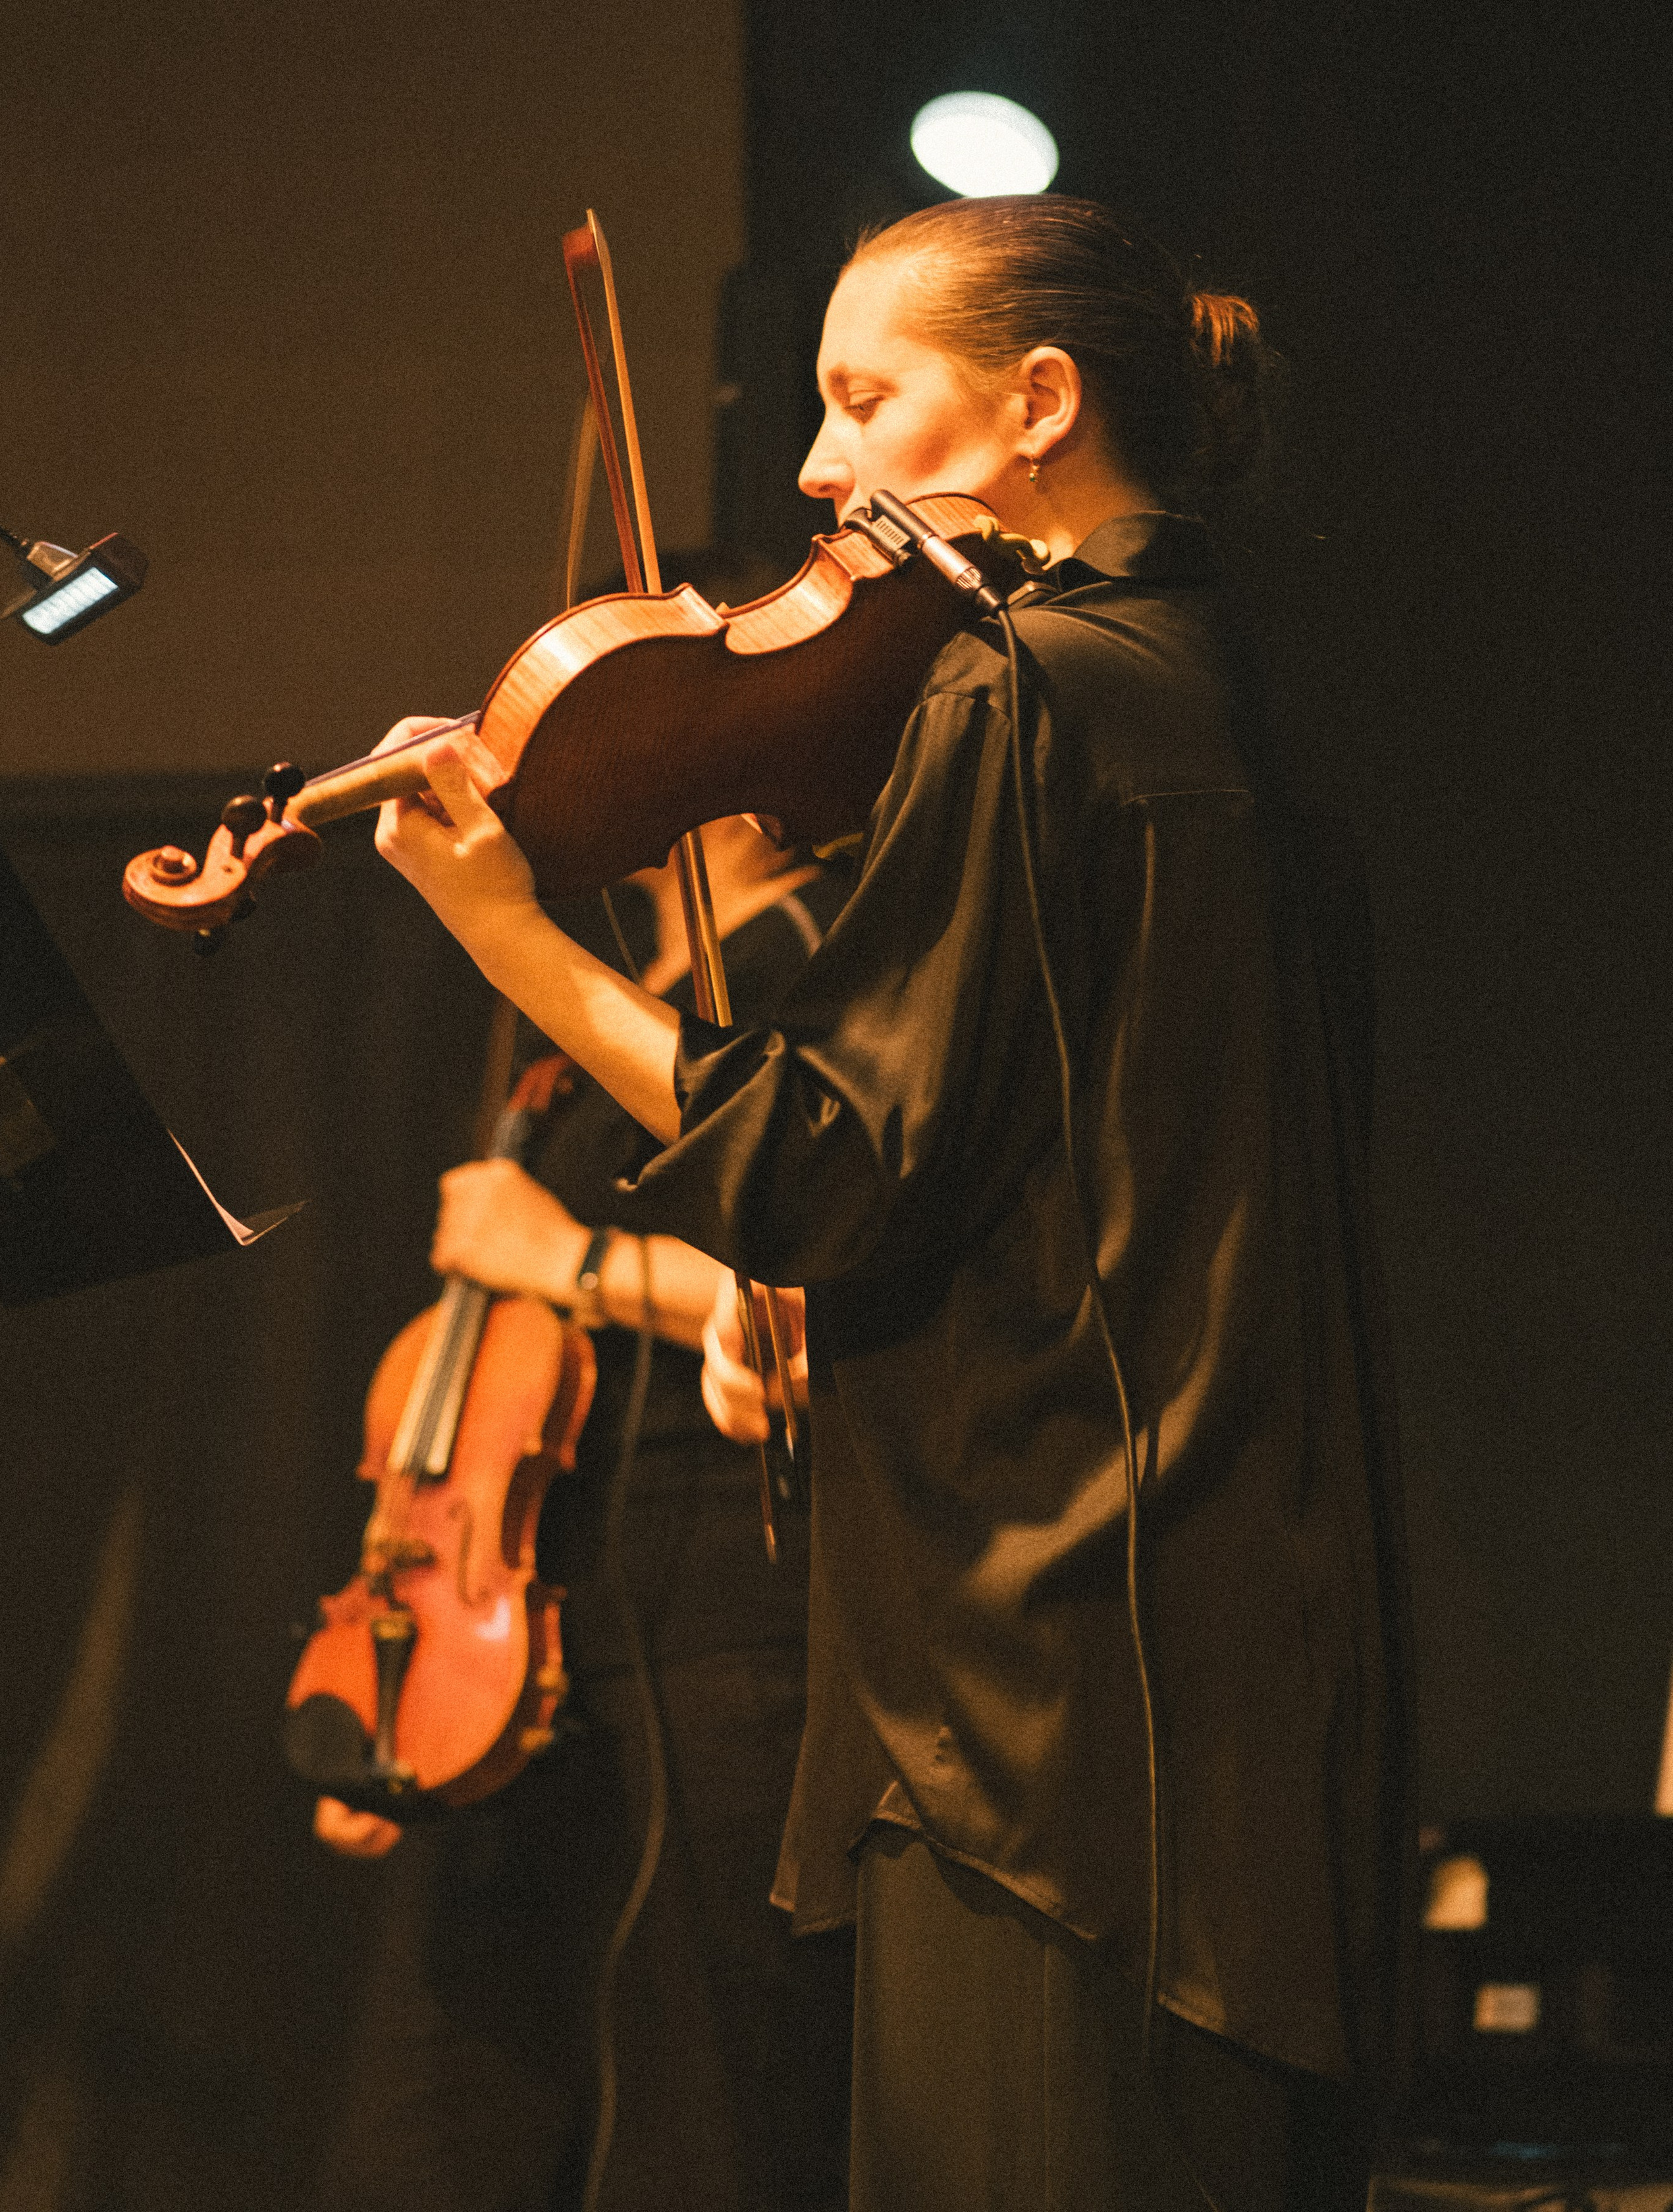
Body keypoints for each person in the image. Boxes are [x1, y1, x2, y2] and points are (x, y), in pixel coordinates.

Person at [371, 198, 1412, 2211]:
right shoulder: (1223, 692)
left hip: (1044, 1713)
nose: (816, 472)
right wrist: (831, 1324)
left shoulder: (1022, 694)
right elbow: (1076, 1175)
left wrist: (508, 931)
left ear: (1038, 403)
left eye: (866, 401)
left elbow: (823, 1159)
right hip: (1235, 1670)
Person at [316, 578, 854, 2212]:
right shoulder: (625, 977)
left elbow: (832, 1297)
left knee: (704, 2098)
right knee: (445, 2115)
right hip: (544, 1600)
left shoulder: (802, 964)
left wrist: (566, 1262)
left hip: (719, 1603)